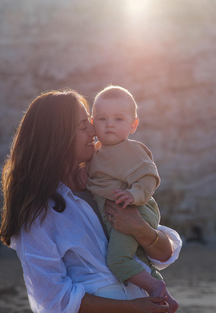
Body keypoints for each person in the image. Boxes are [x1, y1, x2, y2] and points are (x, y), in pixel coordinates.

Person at [0, 89, 182, 313]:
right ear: (58, 137)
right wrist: (132, 308)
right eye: (84, 126)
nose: (94, 131)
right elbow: (54, 298)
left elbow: (164, 255)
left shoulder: (101, 183)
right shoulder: (37, 213)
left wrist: (141, 229)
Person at [85, 85, 178, 312]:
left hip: (134, 209)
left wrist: (133, 194)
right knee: (139, 260)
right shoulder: (96, 151)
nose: (109, 124)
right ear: (92, 122)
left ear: (133, 125)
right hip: (119, 212)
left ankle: (155, 288)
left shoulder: (131, 150)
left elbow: (149, 178)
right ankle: (165, 296)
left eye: (119, 119)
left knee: (117, 261)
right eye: (102, 118)